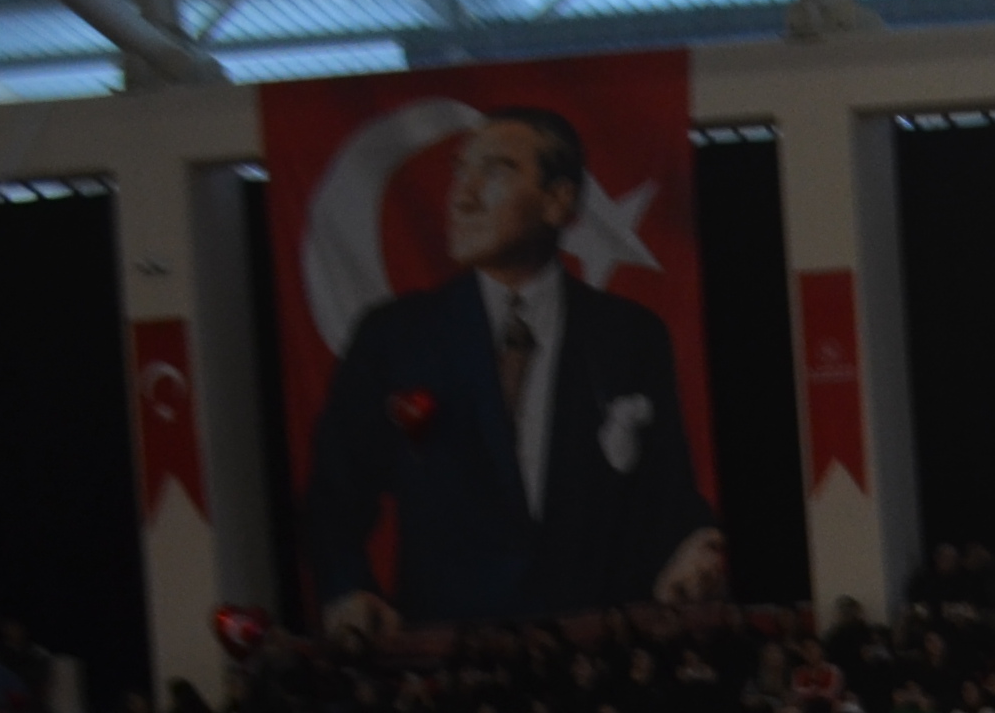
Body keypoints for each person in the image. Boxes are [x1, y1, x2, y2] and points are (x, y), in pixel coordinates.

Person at [301, 107, 722, 633]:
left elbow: (665, 491)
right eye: (460, 170)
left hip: (598, 649)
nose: (463, 194)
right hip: (451, 656)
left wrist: (693, 545)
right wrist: (348, 588)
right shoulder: (396, 338)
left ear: (557, 200)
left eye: (495, 171)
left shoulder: (629, 337)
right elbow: (335, 491)